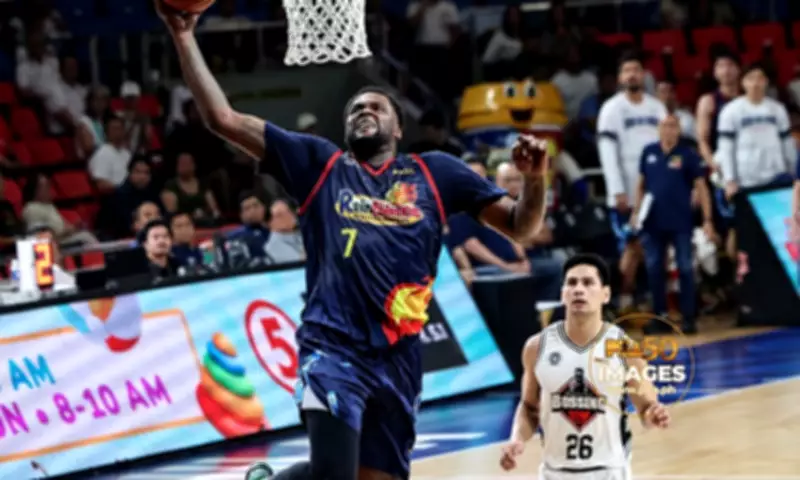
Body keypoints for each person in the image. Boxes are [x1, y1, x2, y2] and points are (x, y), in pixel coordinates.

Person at [155, 1, 549, 478]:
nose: (364, 111)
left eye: (376, 107)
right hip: (333, 347)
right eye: (355, 108)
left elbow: (522, 226)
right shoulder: (320, 165)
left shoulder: (436, 172)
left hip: (400, 356)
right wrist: (183, 36)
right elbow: (223, 118)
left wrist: (535, 180)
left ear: (398, 127)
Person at [500, 254, 670, 478]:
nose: (579, 289)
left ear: (605, 294)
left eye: (588, 283)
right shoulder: (537, 347)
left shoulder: (624, 348)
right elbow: (529, 408)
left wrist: (655, 414)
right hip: (554, 473)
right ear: (563, 293)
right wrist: (516, 439)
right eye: (572, 283)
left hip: (608, 472)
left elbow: (646, 408)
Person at [597, 51, 667, 314]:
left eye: (636, 70)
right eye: (627, 71)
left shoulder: (657, 107)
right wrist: (616, 190)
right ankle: (623, 301)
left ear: (643, 74)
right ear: (619, 77)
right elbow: (607, 153)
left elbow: (667, 147)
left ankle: (656, 302)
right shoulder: (611, 109)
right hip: (626, 190)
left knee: (657, 246)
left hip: (656, 190)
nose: (632, 75)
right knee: (631, 246)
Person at [630, 115, 715, 334]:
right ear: (658, 129)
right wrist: (636, 212)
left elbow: (701, 186)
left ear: (679, 130)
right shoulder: (649, 152)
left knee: (685, 267)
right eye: (665, 126)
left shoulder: (688, 154)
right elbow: (641, 185)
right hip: (653, 222)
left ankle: (688, 317)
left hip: (680, 220)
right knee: (654, 268)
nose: (669, 130)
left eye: (673, 126)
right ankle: (660, 317)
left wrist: (707, 219)